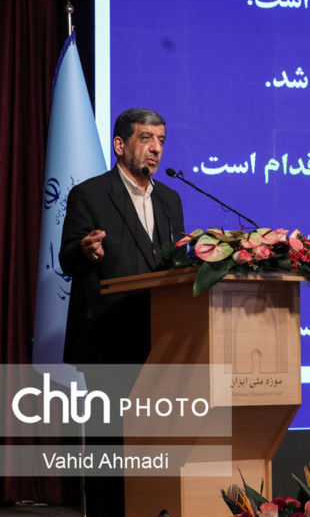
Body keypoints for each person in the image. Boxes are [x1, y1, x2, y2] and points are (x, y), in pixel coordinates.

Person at [58, 107, 184, 516]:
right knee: (109, 450)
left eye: (161, 140)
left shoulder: (170, 199)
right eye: (146, 138)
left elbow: (173, 266)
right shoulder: (90, 194)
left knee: (154, 445)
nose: (155, 148)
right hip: (107, 342)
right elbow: (67, 258)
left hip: (160, 341)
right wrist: (85, 250)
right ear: (119, 144)